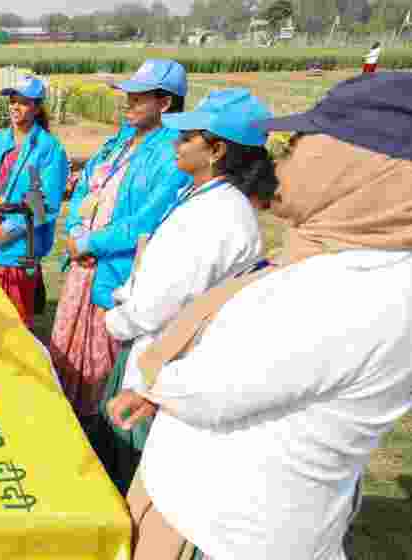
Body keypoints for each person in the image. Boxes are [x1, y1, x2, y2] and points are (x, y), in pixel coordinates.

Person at [109, 71, 412, 560]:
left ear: (359, 168)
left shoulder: (361, 292)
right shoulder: (328, 255)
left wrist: (150, 371)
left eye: (300, 142)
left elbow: (208, 389)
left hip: (229, 532)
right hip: (201, 507)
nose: (284, 154)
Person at [95, 88, 276, 495]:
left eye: (187, 137)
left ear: (215, 150)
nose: (176, 143)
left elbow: (158, 303)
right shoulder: (205, 201)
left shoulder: (216, 217)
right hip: (156, 351)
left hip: (161, 360)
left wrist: (115, 319)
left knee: (130, 472)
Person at [47, 59, 192, 428]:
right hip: (84, 266)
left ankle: (96, 440)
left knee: (101, 368)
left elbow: (147, 220)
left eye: (138, 98)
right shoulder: (120, 141)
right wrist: (78, 229)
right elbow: (84, 188)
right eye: (127, 96)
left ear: (165, 103)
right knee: (66, 353)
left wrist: (92, 242)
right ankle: (65, 421)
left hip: (114, 274)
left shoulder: (172, 154)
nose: (127, 104)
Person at [0, 75, 68, 328]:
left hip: (19, 249)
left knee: (15, 322)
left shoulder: (50, 149)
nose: (15, 107)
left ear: (37, 106)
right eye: (12, 100)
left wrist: (9, 229)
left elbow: (45, 202)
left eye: (23, 102)